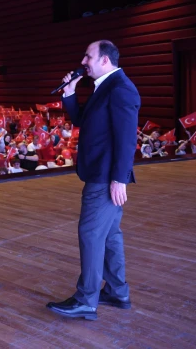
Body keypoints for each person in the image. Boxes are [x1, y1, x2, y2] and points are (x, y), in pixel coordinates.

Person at [47, 40, 139, 320]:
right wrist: (70, 93)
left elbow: (126, 139)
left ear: (105, 60)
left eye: (88, 56)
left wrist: (119, 179)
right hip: (101, 173)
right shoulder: (105, 87)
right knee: (110, 236)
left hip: (105, 176)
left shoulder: (120, 89)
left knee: (90, 235)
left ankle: (87, 299)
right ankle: (117, 291)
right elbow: (85, 122)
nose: (83, 61)